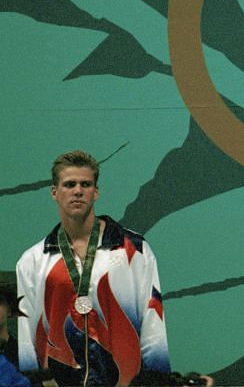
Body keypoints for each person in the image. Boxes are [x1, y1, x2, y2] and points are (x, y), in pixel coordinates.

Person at [15, 150, 171, 386]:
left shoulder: (133, 250)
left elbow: (153, 324)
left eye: (85, 184)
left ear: (96, 192)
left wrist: (156, 381)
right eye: (69, 184)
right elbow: (27, 340)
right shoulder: (32, 261)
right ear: (54, 192)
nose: (78, 190)